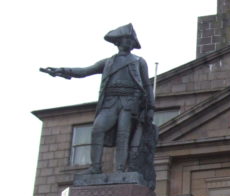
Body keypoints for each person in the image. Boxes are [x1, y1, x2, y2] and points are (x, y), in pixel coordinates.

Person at [42, 24, 155, 183]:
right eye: (125, 39)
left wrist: (151, 107)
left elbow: (147, 84)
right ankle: (96, 167)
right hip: (110, 101)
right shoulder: (108, 62)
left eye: (131, 40)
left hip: (129, 102)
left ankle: (120, 170)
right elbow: (85, 71)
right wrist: (63, 70)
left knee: (123, 135)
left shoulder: (138, 61)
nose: (128, 42)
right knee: (98, 128)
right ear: (118, 41)